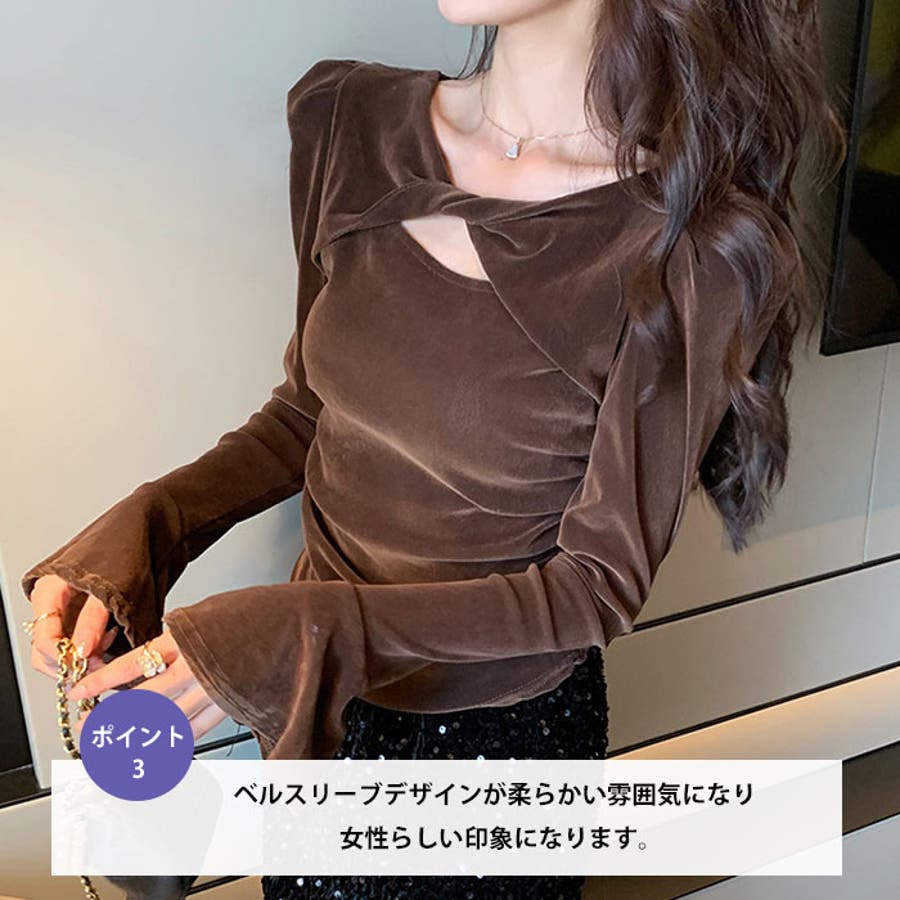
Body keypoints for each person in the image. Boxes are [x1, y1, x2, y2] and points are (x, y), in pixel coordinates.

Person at [22, 1, 845, 898]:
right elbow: (308, 412)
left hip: (498, 749)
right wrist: (148, 525)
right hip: (317, 714)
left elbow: (595, 586)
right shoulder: (347, 120)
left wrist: (305, 630)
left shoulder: (691, 245)